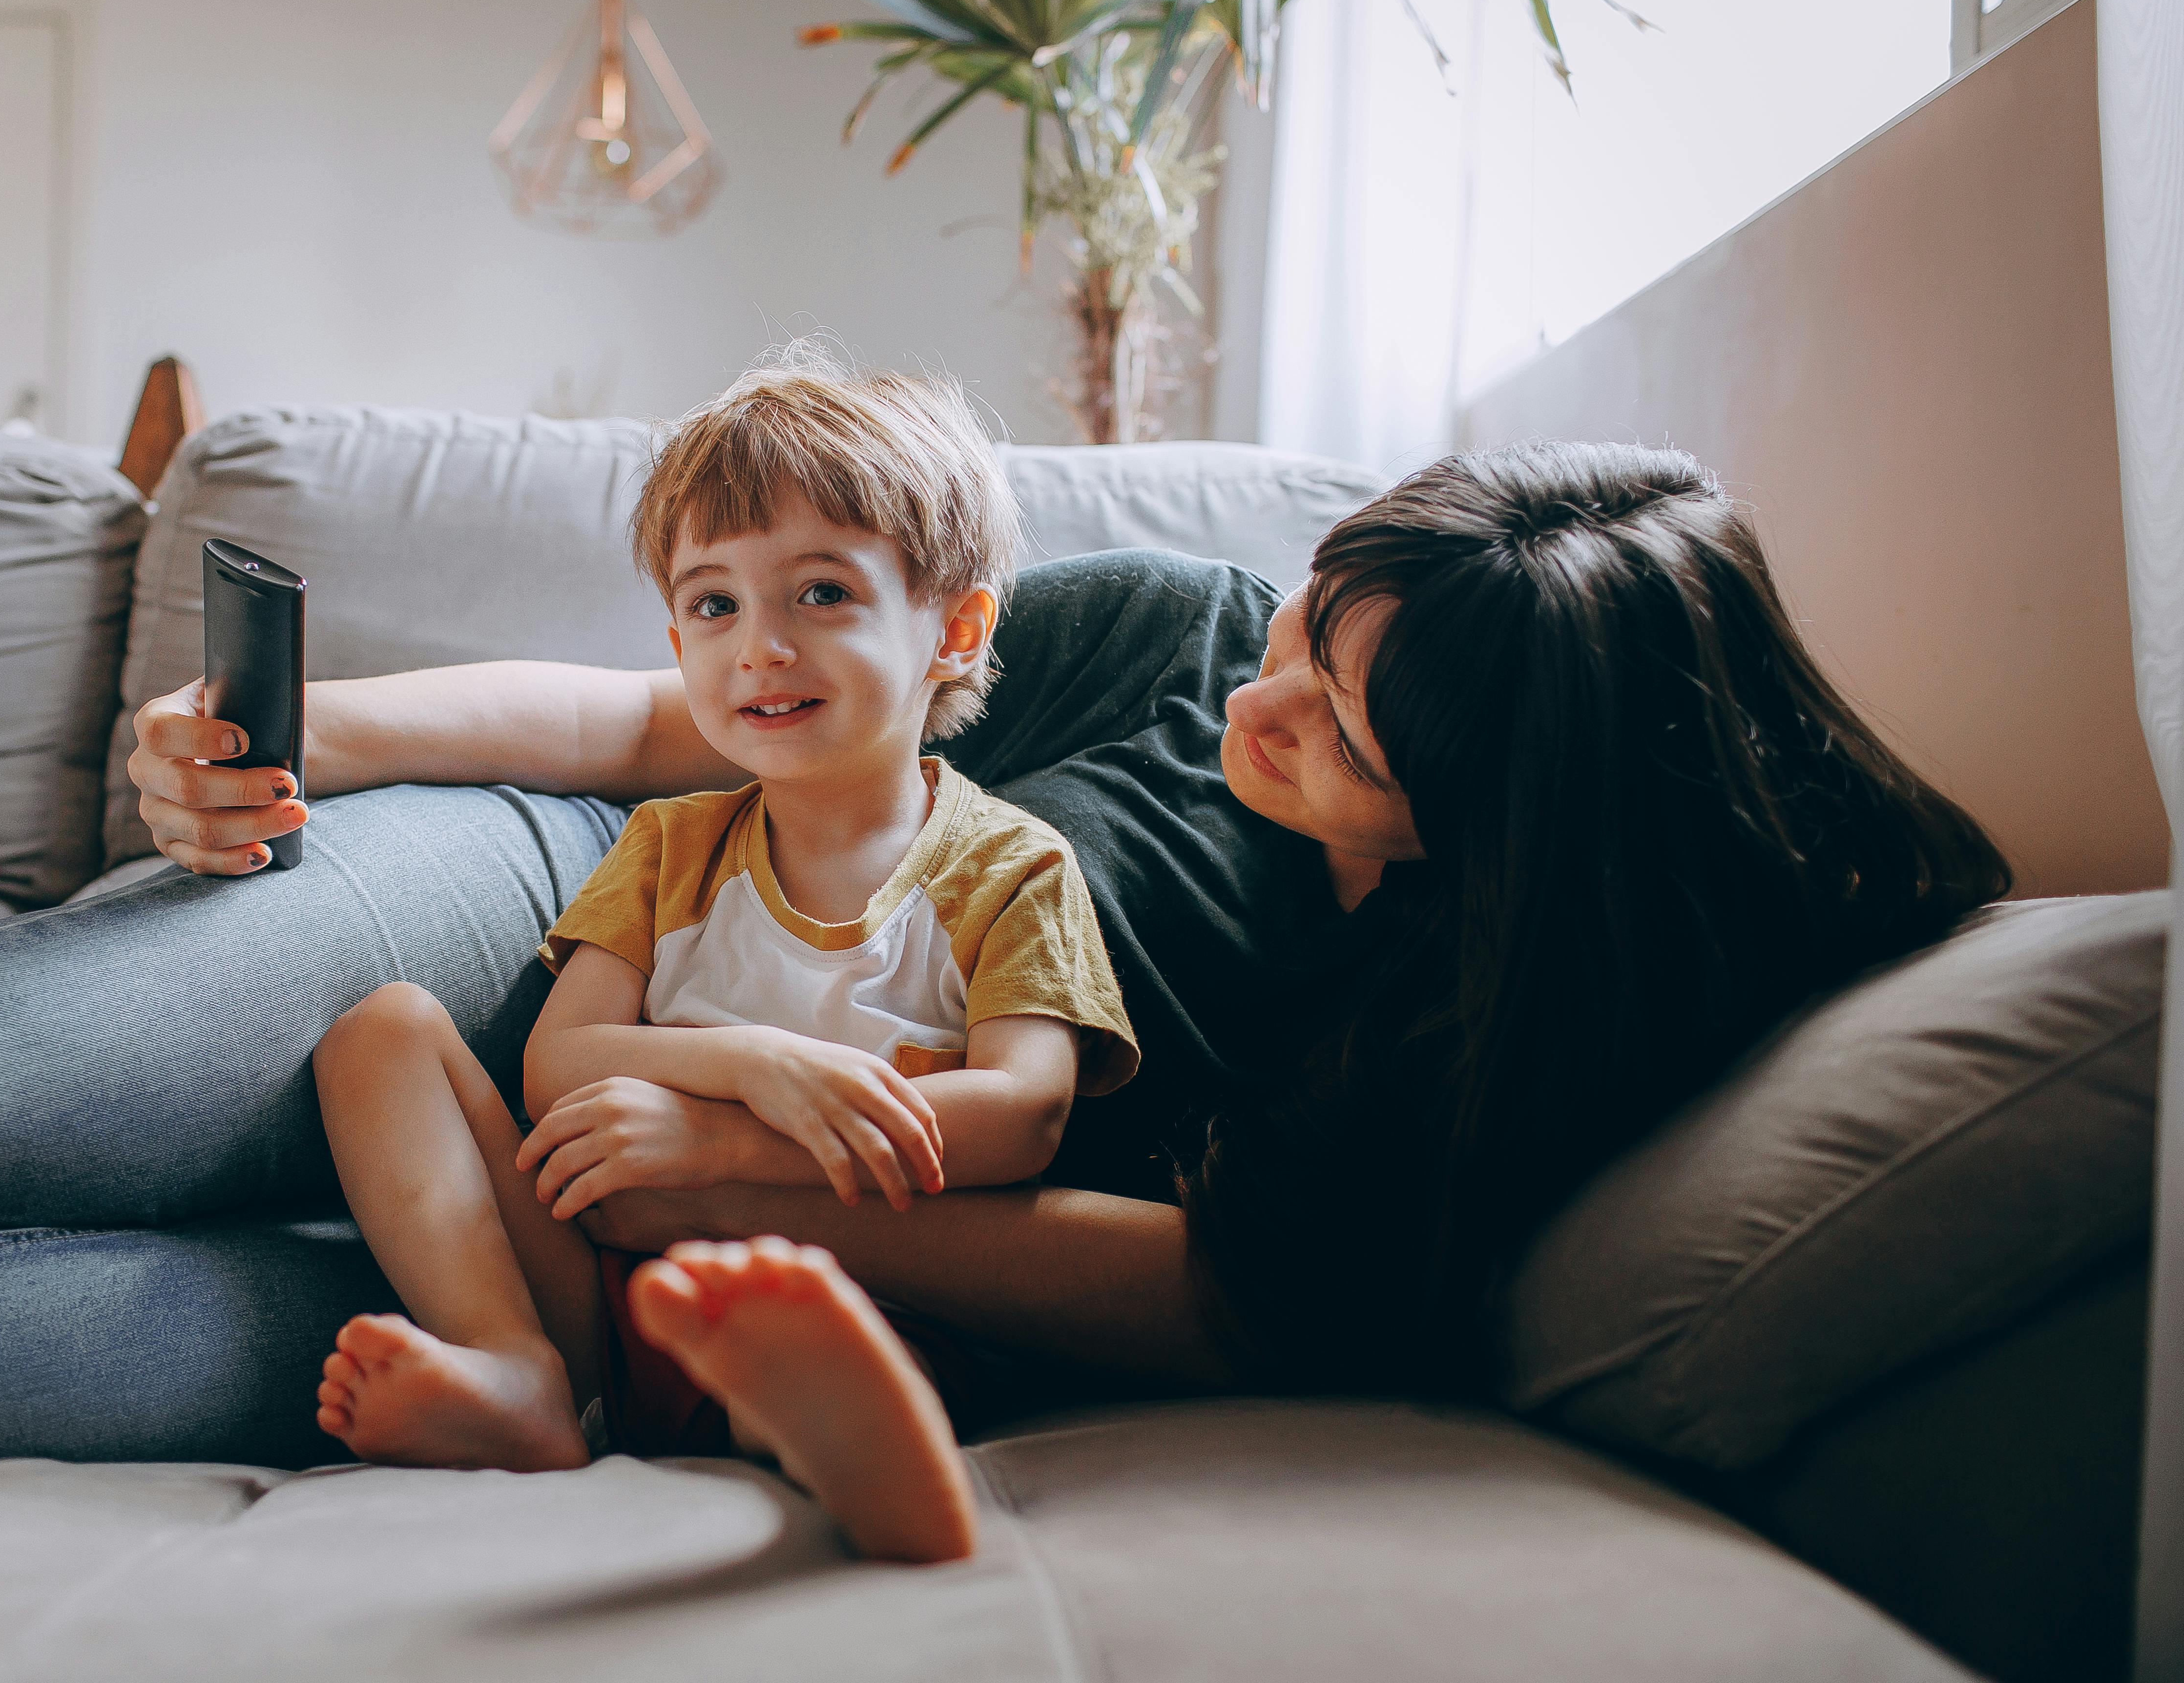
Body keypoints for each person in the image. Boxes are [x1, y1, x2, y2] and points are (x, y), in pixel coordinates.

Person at [132, 440, 2009, 1403]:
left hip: (653, 1240)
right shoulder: (1174, 633)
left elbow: (1240, 1293)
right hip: (589, 972)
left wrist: (718, 1177)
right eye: (1300, 631)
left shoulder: (1485, 1005)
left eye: (1335, 736)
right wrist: (291, 736)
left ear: (1485, 832)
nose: (1252, 712)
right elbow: (663, 721)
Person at [300, 362, 1134, 1563]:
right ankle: (525, 1376)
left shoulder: (1010, 867)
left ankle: (847, 1454)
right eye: (713, 606)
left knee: (804, 1352)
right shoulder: (672, 845)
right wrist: (755, 1063)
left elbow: (1027, 1109)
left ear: (953, 629)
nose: (761, 649)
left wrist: (742, 1142)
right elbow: (558, 1068)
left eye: (822, 593)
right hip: (613, 1293)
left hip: (874, 1307)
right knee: (381, 1032)